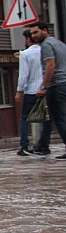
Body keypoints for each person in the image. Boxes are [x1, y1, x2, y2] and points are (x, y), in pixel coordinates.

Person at [30, 21, 66, 160]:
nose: (33, 36)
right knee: (52, 117)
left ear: (45, 30)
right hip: (63, 83)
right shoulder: (60, 44)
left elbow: (50, 65)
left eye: (36, 32)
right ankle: (42, 146)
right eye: (32, 33)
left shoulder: (46, 45)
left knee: (60, 119)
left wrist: (43, 86)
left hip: (56, 85)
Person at [15, 29, 52, 156]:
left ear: (27, 39)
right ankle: (43, 145)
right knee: (46, 118)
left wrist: (19, 91)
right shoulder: (45, 50)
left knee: (25, 118)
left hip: (31, 90)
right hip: (46, 88)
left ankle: (24, 146)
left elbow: (23, 74)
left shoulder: (25, 54)